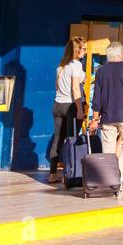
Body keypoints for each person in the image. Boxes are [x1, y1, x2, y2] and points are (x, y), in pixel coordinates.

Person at [89, 41, 123, 188]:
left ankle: (108, 176)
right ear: (121, 54)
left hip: (107, 117)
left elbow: (97, 98)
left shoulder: (101, 71)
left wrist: (95, 119)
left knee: (108, 147)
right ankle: (120, 173)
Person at [48, 36, 86, 183]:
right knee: (72, 140)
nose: (84, 51)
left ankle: (52, 173)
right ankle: (70, 174)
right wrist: (80, 109)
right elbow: (75, 88)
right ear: (77, 50)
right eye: (83, 49)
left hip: (58, 104)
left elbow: (57, 87)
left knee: (58, 140)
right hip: (71, 106)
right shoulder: (76, 65)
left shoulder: (61, 66)